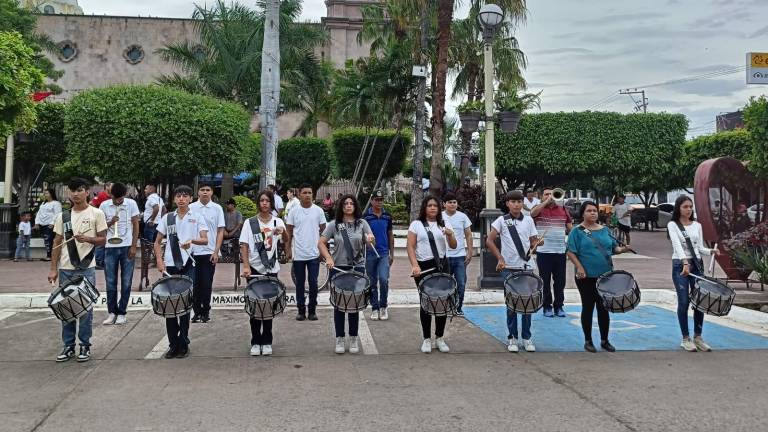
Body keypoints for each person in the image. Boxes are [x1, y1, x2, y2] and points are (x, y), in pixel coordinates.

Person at [48, 178, 108, 363]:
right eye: (72, 190)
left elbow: (103, 239)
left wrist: (88, 239)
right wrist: (53, 269)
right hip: (66, 268)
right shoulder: (63, 216)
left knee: (85, 309)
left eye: (79, 190)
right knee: (66, 308)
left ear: (87, 192)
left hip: (86, 268)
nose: (75, 194)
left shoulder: (96, 213)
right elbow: (57, 243)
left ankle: (84, 345)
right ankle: (68, 346)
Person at [566, 201, 633, 353]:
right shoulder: (577, 231)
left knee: (603, 308)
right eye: (589, 211)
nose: (593, 213)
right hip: (585, 276)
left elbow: (613, 248)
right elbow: (570, 252)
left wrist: (623, 249)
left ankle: (605, 340)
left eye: (595, 211)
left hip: (605, 275)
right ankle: (588, 340)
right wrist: (580, 267)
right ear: (582, 213)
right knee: (588, 306)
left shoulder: (606, 230)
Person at [154, 185, 208, 359]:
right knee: (169, 305)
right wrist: (159, 261)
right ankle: (172, 344)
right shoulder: (167, 218)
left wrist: (192, 241)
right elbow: (157, 242)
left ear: (190, 199)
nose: (182, 199)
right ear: (174, 199)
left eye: (185, 196)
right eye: (178, 196)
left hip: (187, 264)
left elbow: (205, 239)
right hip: (170, 266)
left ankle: (183, 342)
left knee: (184, 305)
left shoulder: (197, 216)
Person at [319, 195, 374, 354]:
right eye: (345, 203)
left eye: (351, 203)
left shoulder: (362, 224)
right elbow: (321, 243)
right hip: (338, 268)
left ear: (355, 206)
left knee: (354, 305)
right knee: (339, 305)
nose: (349, 206)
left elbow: (370, 244)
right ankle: (340, 338)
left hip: (357, 268)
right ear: (341, 206)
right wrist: (328, 257)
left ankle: (354, 338)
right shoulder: (334, 225)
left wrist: (371, 239)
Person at [486, 191, 539, 353]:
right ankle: (512, 337)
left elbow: (533, 242)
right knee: (511, 305)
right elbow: (489, 240)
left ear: (522, 203)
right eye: (513, 201)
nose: (516, 204)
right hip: (509, 268)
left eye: (519, 201)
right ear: (507, 203)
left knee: (527, 303)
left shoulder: (529, 220)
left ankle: (527, 337)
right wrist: (500, 258)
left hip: (527, 267)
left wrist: (538, 243)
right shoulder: (502, 220)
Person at [240, 190, 288, 357]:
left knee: (268, 306)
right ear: (258, 203)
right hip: (254, 268)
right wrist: (245, 266)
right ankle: (255, 340)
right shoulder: (250, 222)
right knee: (255, 306)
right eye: (262, 200)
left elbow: (286, 239)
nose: (265, 203)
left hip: (271, 268)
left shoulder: (277, 221)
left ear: (271, 203)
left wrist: (283, 231)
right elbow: (244, 245)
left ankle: (267, 340)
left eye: (268, 200)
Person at [668, 195, 719, 352]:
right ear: (678, 208)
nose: (689, 209)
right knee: (683, 302)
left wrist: (711, 250)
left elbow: (699, 248)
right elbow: (677, 245)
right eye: (685, 207)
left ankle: (698, 337)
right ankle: (685, 338)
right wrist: (684, 263)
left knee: (699, 302)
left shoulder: (697, 225)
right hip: (680, 266)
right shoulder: (672, 224)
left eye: (691, 207)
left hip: (697, 265)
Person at [407, 196, 457, 354]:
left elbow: (453, 246)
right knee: (427, 302)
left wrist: (450, 234)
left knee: (442, 301)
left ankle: (440, 338)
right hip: (424, 266)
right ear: (424, 208)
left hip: (442, 265)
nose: (433, 208)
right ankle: (426, 339)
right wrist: (414, 265)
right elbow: (410, 246)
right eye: (429, 205)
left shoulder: (445, 223)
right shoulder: (416, 224)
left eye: (435, 205)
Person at [99, 182, 140, 325]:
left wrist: (134, 246)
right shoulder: (104, 205)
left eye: (120, 198)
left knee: (126, 281)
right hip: (110, 246)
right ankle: (112, 312)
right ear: (110, 195)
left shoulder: (131, 204)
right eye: (115, 198)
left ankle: (122, 312)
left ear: (125, 195)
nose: (118, 201)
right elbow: (100, 229)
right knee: (110, 281)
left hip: (127, 246)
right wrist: (110, 222)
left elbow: (135, 224)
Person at [285, 183, 326, 321]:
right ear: (299, 194)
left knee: (313, 282)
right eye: (305, 193)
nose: (307, 195)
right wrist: (288, 249)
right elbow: (289, 232)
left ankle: (312, 310)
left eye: (310, 192)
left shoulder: (318, 211)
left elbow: (323, 232)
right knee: (300, 283)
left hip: (314, 254)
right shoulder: (294, 211)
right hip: (299, 255)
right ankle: (301, 310)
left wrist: (322, 251)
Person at [531, 187, 573, 318]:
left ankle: (559, 306)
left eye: (551, 194)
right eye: (546, 194)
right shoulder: (538, 209)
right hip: (543, 252)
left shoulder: (563, 210)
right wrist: (545, 202)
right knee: (545, 281)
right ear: (541, 196)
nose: (550, 196)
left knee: (560, 282)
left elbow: (570, 228)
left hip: (560, 252)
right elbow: (532, 214)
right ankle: (547, 307)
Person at [189, 183, 225, 323]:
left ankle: (205, 311)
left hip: (210, 251)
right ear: (198, 192)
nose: (205, 192)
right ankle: (196, 311)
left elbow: (220, 230)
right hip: (193, 252)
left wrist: (216, 251)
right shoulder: (191, 207)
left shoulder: (217, 209)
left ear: (212, 192)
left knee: (206, 283)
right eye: (202, 190)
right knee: (195, 284)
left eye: (208, 190)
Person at [364, 190, 394, 321]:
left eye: (381, 199)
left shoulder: (387, 216)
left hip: (383, 254)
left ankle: (383, 306)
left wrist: (391, 253)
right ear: (372, 201)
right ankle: (374, 308)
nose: (379, 202)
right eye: (377, 199)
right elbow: (362, 235)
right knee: (371, 282)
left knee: (383, 279)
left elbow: (390, 235)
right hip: (370, 254)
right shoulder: (366, 217)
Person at [442, 192, 473, 315]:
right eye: (449, 202)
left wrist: (470, 251)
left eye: (454, 202)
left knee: (461, 283)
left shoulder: (463, 217)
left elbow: (468, 234)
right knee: (446, 283)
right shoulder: (439, 217)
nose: (452, 204)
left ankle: (458, 308)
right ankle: (448, 307)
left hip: (460, 256)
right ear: (444, 204)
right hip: (444, 256)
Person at [34, 188, 62, 261]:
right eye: (45, 193)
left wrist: (52, 223)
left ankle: (51, 256)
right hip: (42, 224)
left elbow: (58, 214)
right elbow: (39, 213)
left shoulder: (56, 203)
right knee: (46, 241)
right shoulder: (43, 203)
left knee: (49, 240)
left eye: (47, 193)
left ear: (51, 194)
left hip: (50, 225)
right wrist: (37, 222)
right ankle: (49, 255)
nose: (45, 195)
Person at [91, 182, 112, 269]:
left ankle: (102, 261)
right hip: (101, 222)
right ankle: (99, 262)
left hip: (108, 222)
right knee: (100, 242)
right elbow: (91, 203)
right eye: (111, 186)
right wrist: (98, 213)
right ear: (107, 187)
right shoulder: (101, 195)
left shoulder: (111, 196)